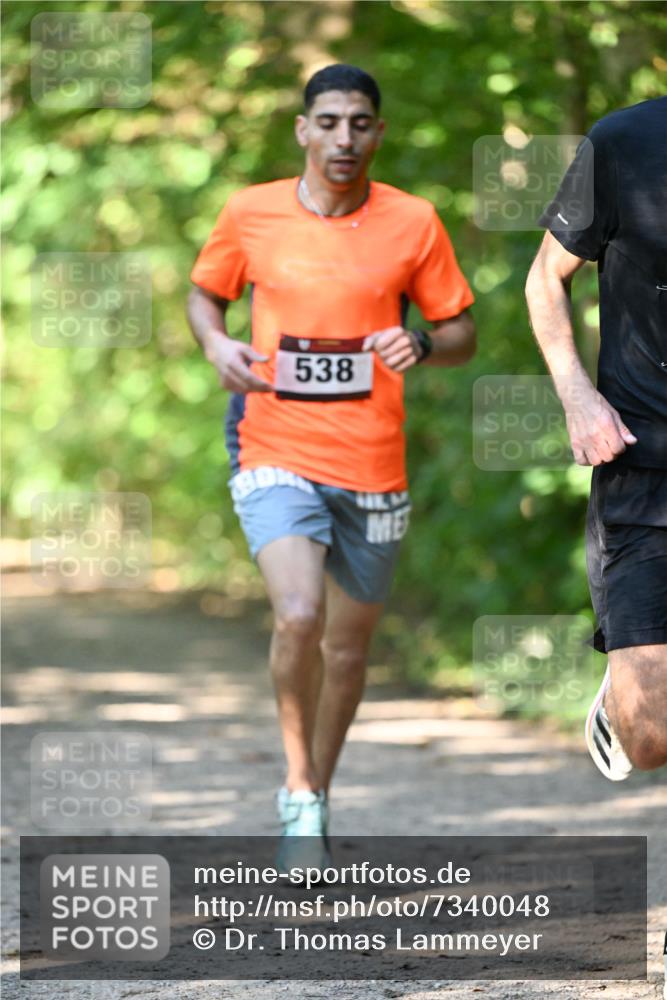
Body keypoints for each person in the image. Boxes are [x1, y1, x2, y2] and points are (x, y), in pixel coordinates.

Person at [186, 64, 475, 863]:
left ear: (377, 133)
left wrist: (417, 340)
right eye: (329, 121)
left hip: (373, 463)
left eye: (360, 123)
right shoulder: (251, 214)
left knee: (346, 650)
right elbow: (204, 293)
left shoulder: (414, 223)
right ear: (302, 129)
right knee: (300, 616)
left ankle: (320, 786)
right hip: (272, 444)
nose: (344, 138)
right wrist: (216, 343)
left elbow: (460, 333)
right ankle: (298, 790)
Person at [525, 96, 667, 781]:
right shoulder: (624, 141)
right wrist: (578, 398)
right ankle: (623, 696)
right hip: (645, 470)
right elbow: (543, 278)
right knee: (649, 741)